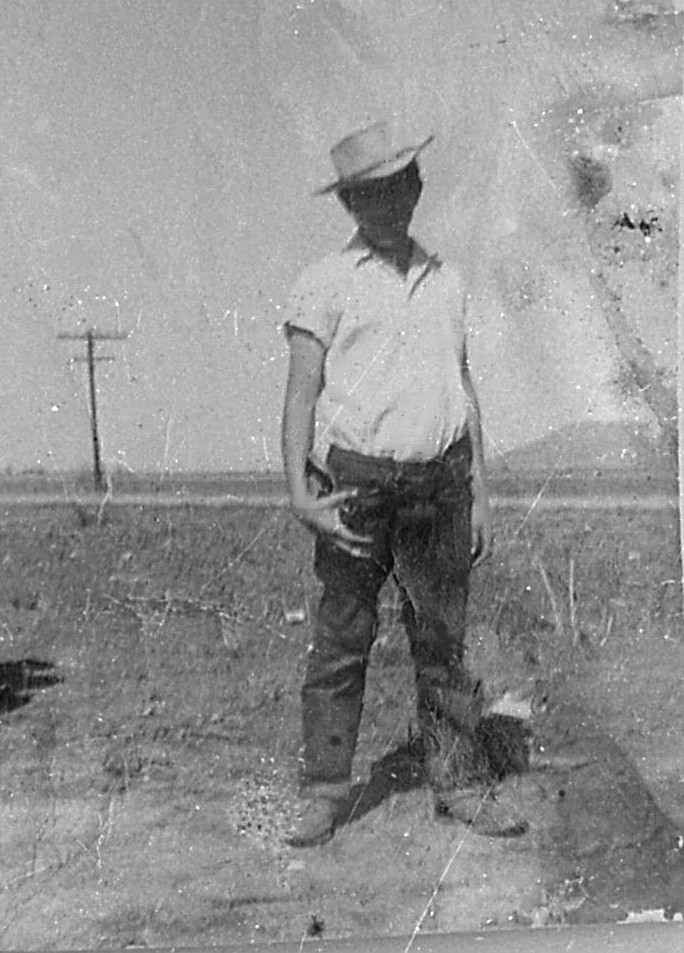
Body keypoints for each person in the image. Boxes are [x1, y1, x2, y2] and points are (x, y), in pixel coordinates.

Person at [280, 121, 526, 847]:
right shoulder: (324, 282)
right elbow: (300, 394)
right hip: (357, 487)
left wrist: (480, 489)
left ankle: (458, 781)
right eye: (370, 193)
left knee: (442, 642)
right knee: (341, 640)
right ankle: (324, 792)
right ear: (350, 202)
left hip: (441, 486)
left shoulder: (446, 280)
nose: (389, 201)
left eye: (401, 185)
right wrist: (299, 491)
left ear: (416, 187)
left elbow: (464, 386)